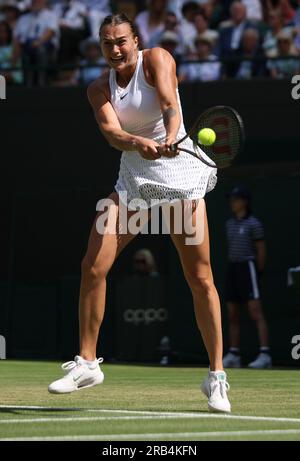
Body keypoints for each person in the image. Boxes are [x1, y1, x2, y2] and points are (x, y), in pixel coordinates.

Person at [48, 12, 231, 414]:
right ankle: (87, 363)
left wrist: (167, 138)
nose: (115, 49)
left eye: (121, 41)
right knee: (92, 265)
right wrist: (136, 142)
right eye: (107, 43)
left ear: (136, 40)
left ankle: (216, 377)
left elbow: (169, 103)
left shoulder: (158, 59)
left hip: (181, 176)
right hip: (134, 180)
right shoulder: (99, 88)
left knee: (200, 277)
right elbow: (113, 134)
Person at [223, 186, 272, 369]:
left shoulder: (254, 224)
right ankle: (234, 353)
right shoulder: (229, 224)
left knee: (255, 312)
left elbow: (261, 251)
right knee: (232, 313)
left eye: (236, 199)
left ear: (244, 201)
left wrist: (258, 273)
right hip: (233, 268)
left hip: (248, 268)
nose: (232, 203)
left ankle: (265, 353)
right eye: (231, 199)